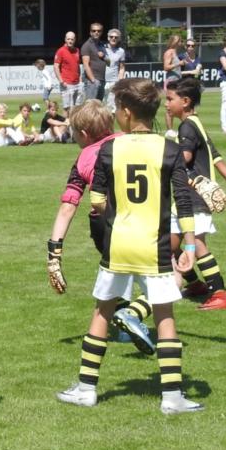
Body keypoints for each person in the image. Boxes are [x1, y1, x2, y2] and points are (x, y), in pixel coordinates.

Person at [54, 77, 204, 415]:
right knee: (164, 315)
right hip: (156, 247)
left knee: (102, 311)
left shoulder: (110, 148)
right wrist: (190, 249)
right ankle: (172, 396)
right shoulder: (168, 148)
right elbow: (183, 200)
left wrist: (114, 212)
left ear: (124, 111)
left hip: (119, 245)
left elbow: (97, 201)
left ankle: (86, 388)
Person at [46, 99, 155, 355]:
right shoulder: (131, 141)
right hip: (137, 218)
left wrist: (54, 254)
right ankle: (132, 314)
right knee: (175, 275)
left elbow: (68, 207)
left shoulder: (83, 158)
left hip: (101, 224)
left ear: (83, 134)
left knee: (116, 274)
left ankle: (122, 324)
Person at [165, 78, 226, 310]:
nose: (166, 104)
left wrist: (163, 159)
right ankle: (195, 284)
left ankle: (219, 293)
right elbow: (216, 157)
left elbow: (186, 158)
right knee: (168, 245)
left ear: (185, 101)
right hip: (192, 196)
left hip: (191, 197)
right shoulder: (196, 123)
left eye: (170, 99)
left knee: (198, 245)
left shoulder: (186, 126)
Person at [54, 32, 83, 110]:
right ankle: (66, 122)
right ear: (65, 39)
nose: (70, 41)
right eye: (68, 39)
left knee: (78, 108)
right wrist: (61, 81)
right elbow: (56, 66)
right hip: (66, 84)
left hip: (77, 83)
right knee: (67, 108)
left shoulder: (77, 50)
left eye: (72, 39)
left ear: (75, 40)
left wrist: (80, 79)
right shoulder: (60, 51)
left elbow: (77, 65)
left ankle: (75, 122)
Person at [162, 34, 184, 129]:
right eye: (179, 41)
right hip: (171, 81)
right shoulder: (169, 52)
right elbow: (166, 67)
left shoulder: (175, 52)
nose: (180, 43)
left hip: (177, 81)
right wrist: (179, 63)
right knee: (169, 105)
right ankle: (169, 129)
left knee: (179, 103)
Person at [80, 22, 107, 101]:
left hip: (101, 79)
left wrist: (104, 56)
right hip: (92, 81)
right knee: (91, 106)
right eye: (94, 30)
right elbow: (86, 65)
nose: (96, 32)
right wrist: (93, 80)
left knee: (98, 105)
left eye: (99, 31)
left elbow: (108, 61)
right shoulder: (87, 45)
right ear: (90, 32)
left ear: (101, 32)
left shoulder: (102, 45)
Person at [102, 29, 127, 110]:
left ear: (119, 39)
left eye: (116, 37)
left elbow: (122, 68)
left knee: (112, 107)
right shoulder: (102, 49)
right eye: (111, 37)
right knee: (102, 106)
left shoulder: (121, 51)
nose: (113, 38)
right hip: (102, 80)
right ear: (108, 38)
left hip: (114, 81)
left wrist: (120, 81)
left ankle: (110, 122)